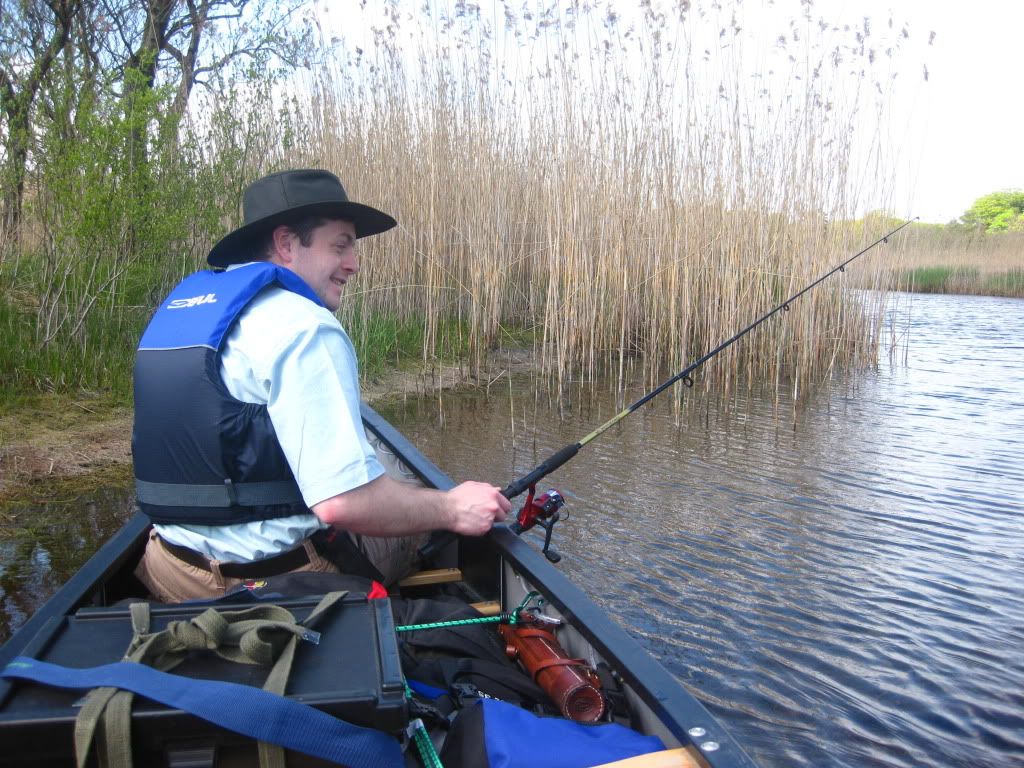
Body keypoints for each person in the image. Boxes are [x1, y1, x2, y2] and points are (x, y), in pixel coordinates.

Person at [132, 169, 510, 602]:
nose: (354, 264)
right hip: (268, 586)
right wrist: (453, 507)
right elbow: (342, 505)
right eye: (340, 245)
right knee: (421, 512)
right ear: (287, 243)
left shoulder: (180, 316)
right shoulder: (305, 327)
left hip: (167, 569)